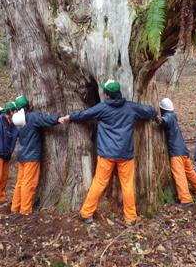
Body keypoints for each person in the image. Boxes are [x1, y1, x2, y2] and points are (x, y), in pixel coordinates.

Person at [60, 79, 157, 226]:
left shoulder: (102, 108)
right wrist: (153, 111)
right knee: (127, 185)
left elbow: (84, 114)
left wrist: (69, 117)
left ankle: (86, 213)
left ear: (106, 95)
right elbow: (150, 111)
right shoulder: (131, 107)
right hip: (125, 155)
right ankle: (130, 218)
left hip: (106, 155)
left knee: (99, 183)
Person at [11, 95, 62, 215]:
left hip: (23, 155)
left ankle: (15, 207)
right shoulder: (32, 116)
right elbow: (45, 119)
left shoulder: (18, 120)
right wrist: (58, 119)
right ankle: (25, 210)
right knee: (28, 183)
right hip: (31, 156)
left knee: (20, 182)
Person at [157, 98, 196, 206]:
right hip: (183, 150)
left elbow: (166, 119)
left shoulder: (170, 116)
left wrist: (158, 119)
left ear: (162, 109)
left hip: (176, 152)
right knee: (190, 172)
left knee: (179, 175)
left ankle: (186, 199)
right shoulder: (174, 117)